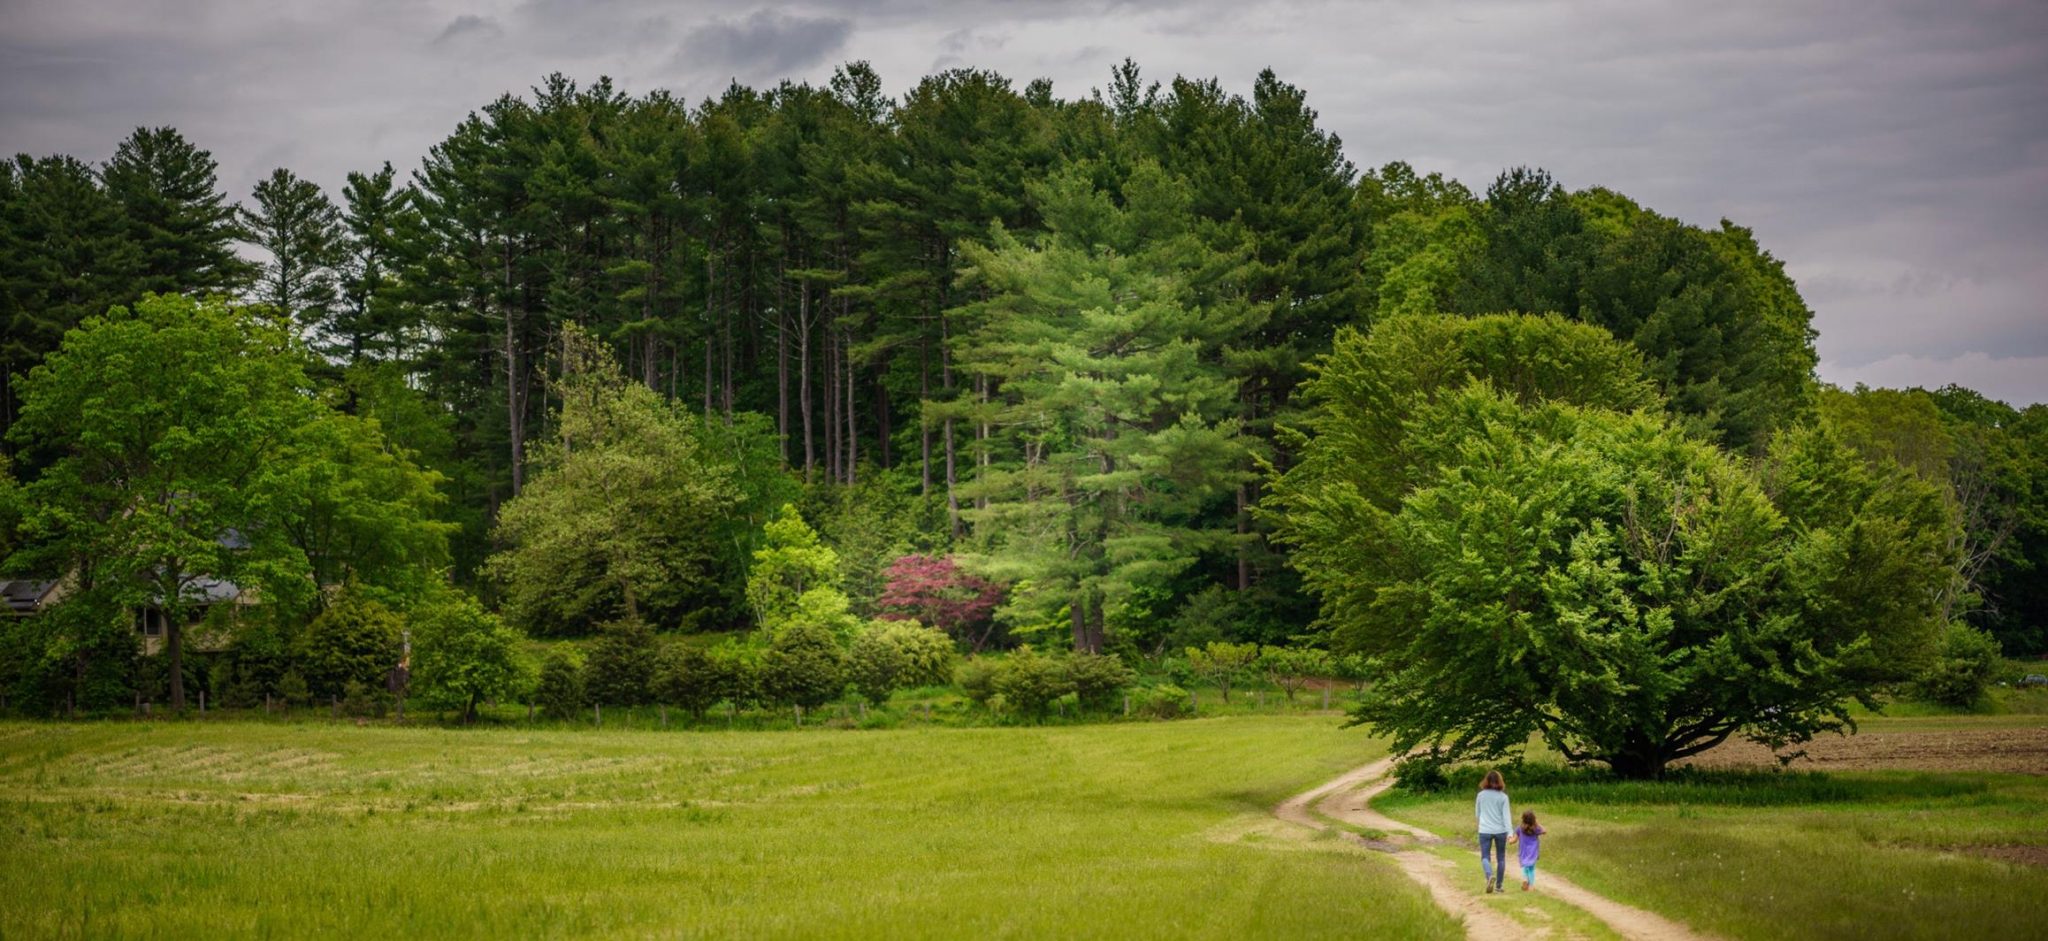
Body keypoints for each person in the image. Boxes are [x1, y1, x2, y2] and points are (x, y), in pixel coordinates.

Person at [1474, 769, 1511, 893]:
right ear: (1499, 781)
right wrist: (1510, 833)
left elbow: (1477, 814)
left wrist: (1479, 827)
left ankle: (1489, 875)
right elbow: (1506, 816)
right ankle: (1499, 886)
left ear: (1486, 781)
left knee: (1485, 856)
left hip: (1484, 830)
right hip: (1500, 830)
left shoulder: (1480, 795)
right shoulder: (1503, 797)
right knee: (1501, 858)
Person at [1510, 810, 1546, 891]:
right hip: (1533, 851)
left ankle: (1525, 879)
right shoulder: (1535, 828)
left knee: (1524, 866)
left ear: (1523, 819)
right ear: (1533, 819)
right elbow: (1544, 831)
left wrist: (1509, 840)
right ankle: (1531, 886)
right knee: (1531, 868)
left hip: (1523, 851)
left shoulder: (1519, 828)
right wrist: (1537, 823)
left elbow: (1514, 840)